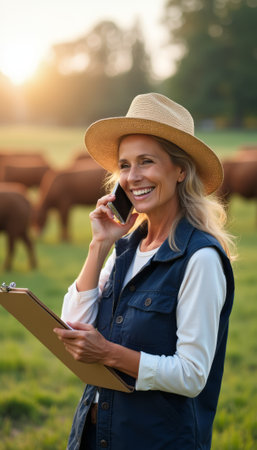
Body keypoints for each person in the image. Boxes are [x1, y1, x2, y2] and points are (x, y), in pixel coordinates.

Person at [53, 93, 235, 450]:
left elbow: (193, 375)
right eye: (124, 165)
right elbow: (73, 323)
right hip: (96, 435)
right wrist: (99, 245)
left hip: (157, 440)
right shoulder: (125, 247)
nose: (132, 177)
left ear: (180, 170)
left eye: (146, 162)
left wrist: (107, 353)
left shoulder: (200, 258)